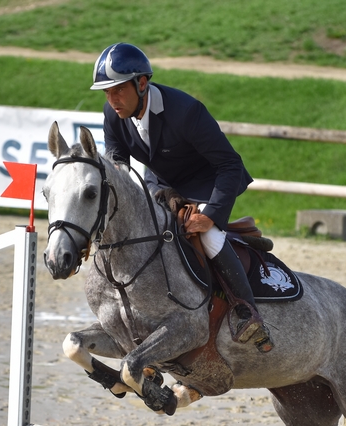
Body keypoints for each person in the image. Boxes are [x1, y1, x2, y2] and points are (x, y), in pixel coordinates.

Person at [91, 42, 272, 352]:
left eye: (118, 90)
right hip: (161, 182)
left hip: (207, 181)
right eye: (107, 92)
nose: (112, 100)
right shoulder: (114, 111)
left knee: (210, 237)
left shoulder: (186, 112)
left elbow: (230, 165)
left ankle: (247, 312)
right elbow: (117, 154)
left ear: (142, 83)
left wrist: (210, 215)